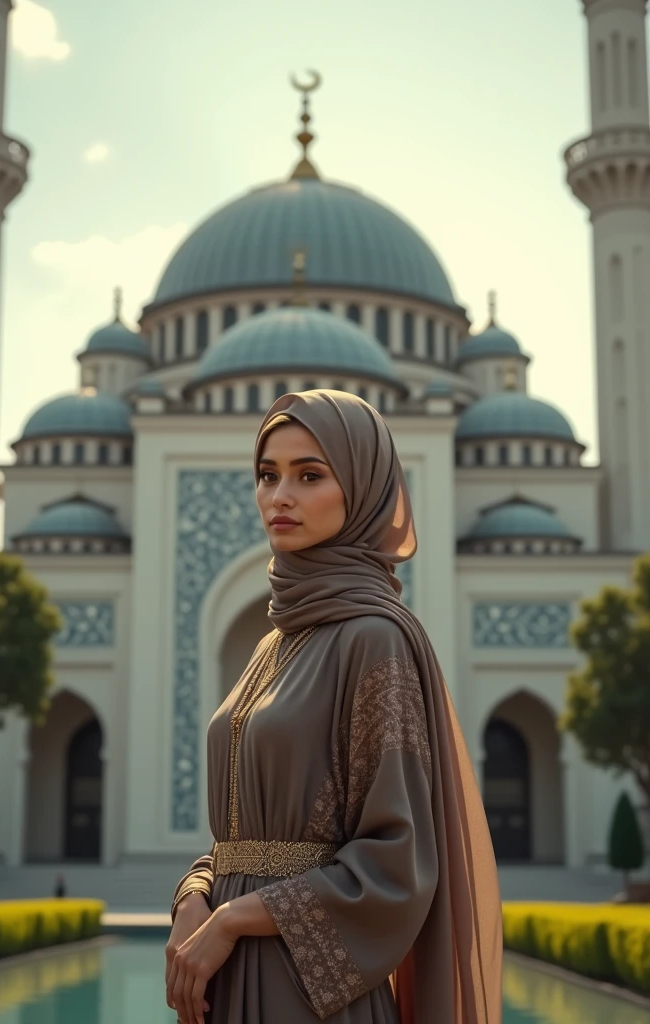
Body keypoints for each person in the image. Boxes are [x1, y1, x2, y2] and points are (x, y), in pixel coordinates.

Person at [165, 390, 503, 1024]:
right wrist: (196, 896)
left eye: (310, 475)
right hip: (223, 975)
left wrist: (236, 918)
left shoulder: (374, 636)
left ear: (364, 488)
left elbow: (397, 863)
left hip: (305, 985)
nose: (279, 496)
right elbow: (243, 836)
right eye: (267, 476)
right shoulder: (277, 642)